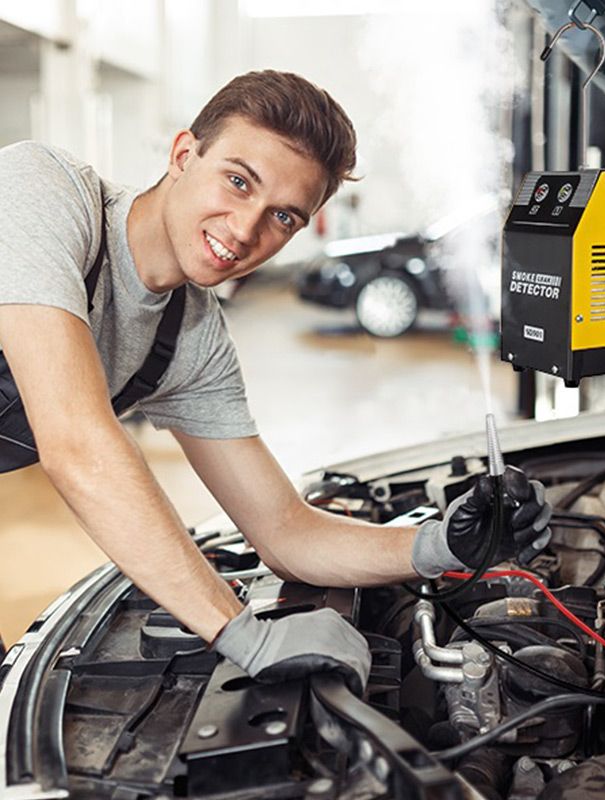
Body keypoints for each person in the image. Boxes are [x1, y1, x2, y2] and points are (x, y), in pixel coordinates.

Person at [0, 70, 551, 691]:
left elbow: (285, 530)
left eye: (282, 216)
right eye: (237, 181)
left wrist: (437, 547)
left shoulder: (188, 336)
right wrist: (241, 633)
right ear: (185, 154)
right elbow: (75, 444)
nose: (243, 230)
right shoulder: (41, 191)